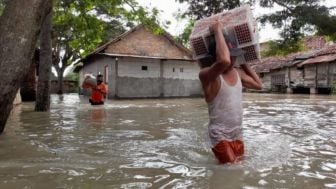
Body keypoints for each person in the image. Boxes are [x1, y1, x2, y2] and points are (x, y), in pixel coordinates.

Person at [198, 21, 263, 164]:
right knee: (232, 168)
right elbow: (224, 61)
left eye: (235, 55)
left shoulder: (238, 73)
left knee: (239, 165)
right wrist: (217, 30)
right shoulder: (207, 75)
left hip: (237, 132)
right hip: (219, 134)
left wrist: (244, 62)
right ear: (216, 55)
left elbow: (259, 85)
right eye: (231, 54)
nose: (233, 59)